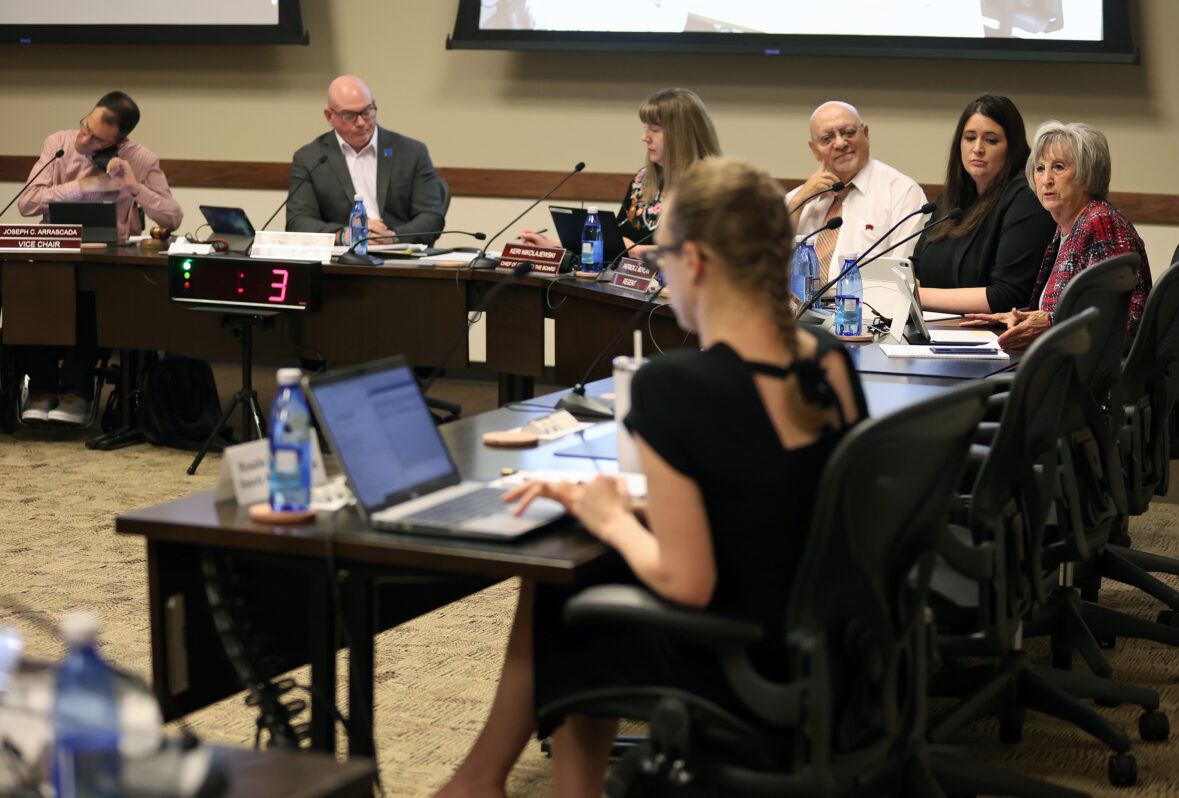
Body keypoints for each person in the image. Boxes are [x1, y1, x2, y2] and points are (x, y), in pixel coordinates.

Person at [435, 157, 863, 798]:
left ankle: (494, 782)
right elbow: (769, 482)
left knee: (571, 585)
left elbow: (687, 583)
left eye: (662, 261)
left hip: (744, 657)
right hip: (833, 642)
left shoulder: (676, 385)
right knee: (585, 565)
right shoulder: (827, 359)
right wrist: (629, 500)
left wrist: (608, 516)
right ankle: (489, 781)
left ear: (694, 262)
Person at [17, 91, 183, 424]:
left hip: (106, 264)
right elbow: (26, 204)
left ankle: (76, 393)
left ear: (120, 141)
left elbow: (172, 218)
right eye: (85, 127)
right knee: (30, 292)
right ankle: (42, 391)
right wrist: (84, 185)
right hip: (56, 260)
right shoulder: (60, 145)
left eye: (95, 139)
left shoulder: (140, 158)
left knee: (95, 299)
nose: (84, 139)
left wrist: (133, 185)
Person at [963, 121, 1152, 350]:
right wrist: (1023, 316)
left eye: (1059, 167)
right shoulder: (1067, 227)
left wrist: (1048, 322)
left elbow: (1121, 320)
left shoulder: (1101, 223)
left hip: (1091, 378)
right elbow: (1067, 309)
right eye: (1040, 168)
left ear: (1088, 172)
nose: (1046, 179)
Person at [520, 87, 721, 260]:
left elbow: (703, 255)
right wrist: (552, 245)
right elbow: (615, 245)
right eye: (645, 128)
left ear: (682, 134)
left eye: (655, 129)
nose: (644, 137)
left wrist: (636, 250)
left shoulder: (713, 187)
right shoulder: (642, 181)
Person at [911, 94, 1056, 314]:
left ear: (1012, 147)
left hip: (994, 339)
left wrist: (916, 296)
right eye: (970, 138)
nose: (977, 148)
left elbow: (1008, 296)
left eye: (991, 140)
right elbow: (917, 268)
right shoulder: (950, 200)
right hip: (936, 329)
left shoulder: (1028, 199)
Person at [286, 75, 445, 246]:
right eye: (349, 115)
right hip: (341, 262)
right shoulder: (310, 158)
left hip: (398, 257)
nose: (361, 122)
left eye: (367, 112)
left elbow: (432, 216)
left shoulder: (411, 152)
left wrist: (392, 236)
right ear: (329, 116)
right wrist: (345, 234)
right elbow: (298, 221)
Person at [786, 101, 927, 283]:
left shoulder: (902, 193)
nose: (840, 143)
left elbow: (901, 278)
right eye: (827, 138)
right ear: (814, 149)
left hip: (865, 308)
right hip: (794, 308)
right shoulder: (798, 199)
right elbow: (767, 263)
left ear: (866, 134)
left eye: (848, 133)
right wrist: (800, 199)